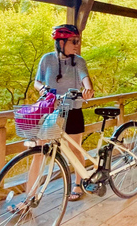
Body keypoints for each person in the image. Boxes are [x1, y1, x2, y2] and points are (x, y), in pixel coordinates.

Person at [32, 24, 94, 202]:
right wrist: (42, 88)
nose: (77, 45)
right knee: (40, 150)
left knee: (75, 149)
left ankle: (78, 183)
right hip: (51, 110)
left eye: (78, 41)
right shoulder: (47, 59)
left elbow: (85, 78)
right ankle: (30, 196)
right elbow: (37, 81)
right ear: (60, 42)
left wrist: (88, 90)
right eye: (73, 41)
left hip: (73, 109)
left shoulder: (79, 61)